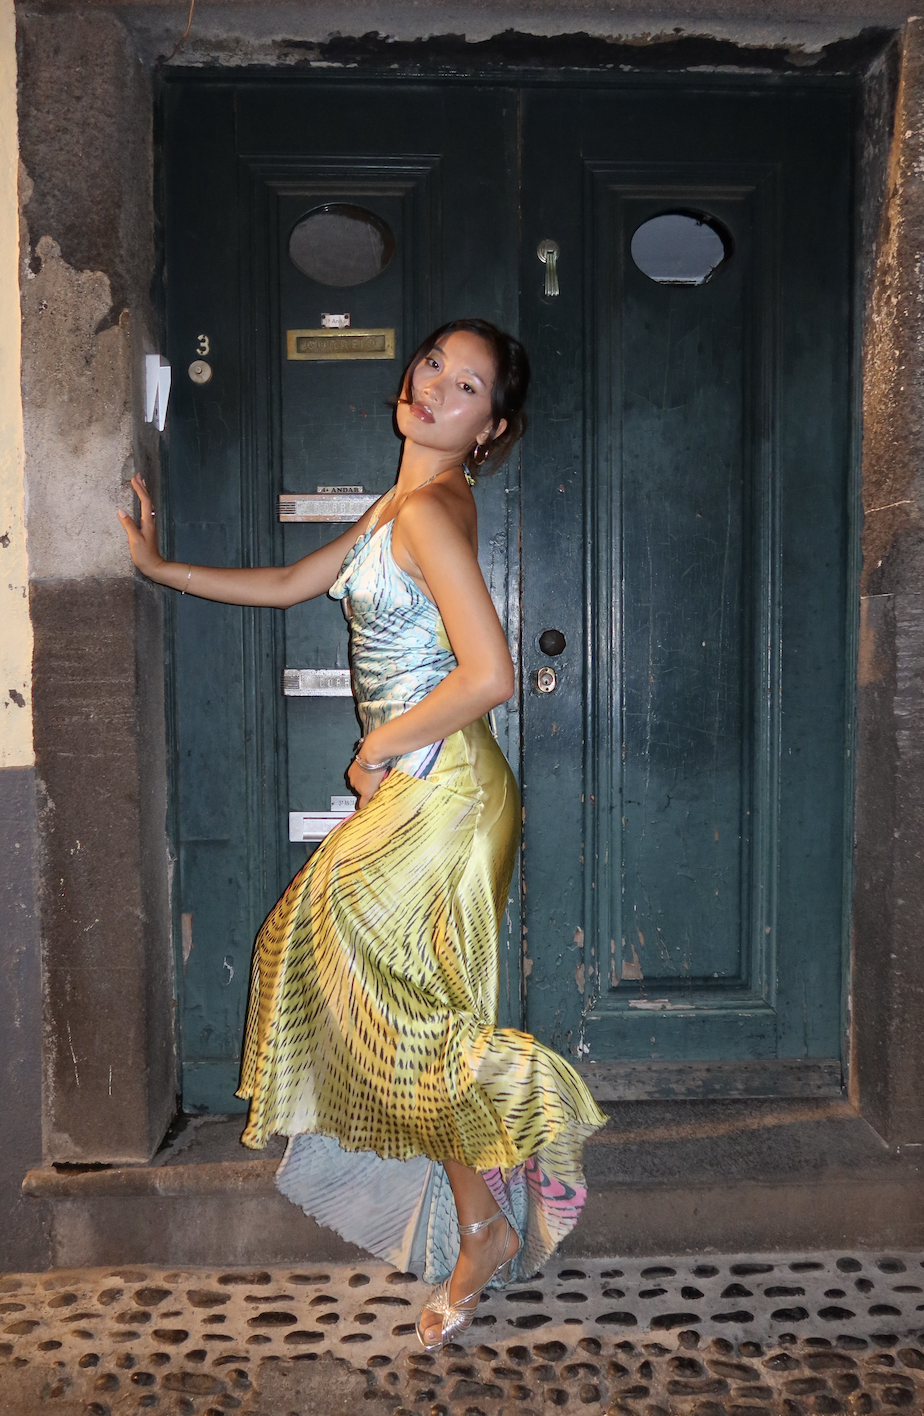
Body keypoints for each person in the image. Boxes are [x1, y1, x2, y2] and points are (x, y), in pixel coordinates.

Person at [119, 317, 607, 1350]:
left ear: (491, 427)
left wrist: (380, 742)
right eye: (433, 363)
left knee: (363, 970)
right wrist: (160, 570)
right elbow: (291, 584)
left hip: (451, 793)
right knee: (380, 989)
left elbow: (491, 676)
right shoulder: (400, 506)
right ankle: (482, 1217)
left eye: (465, 386)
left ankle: (485, 1221)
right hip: (431, 788)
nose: (434, 385)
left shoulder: (432, 511)